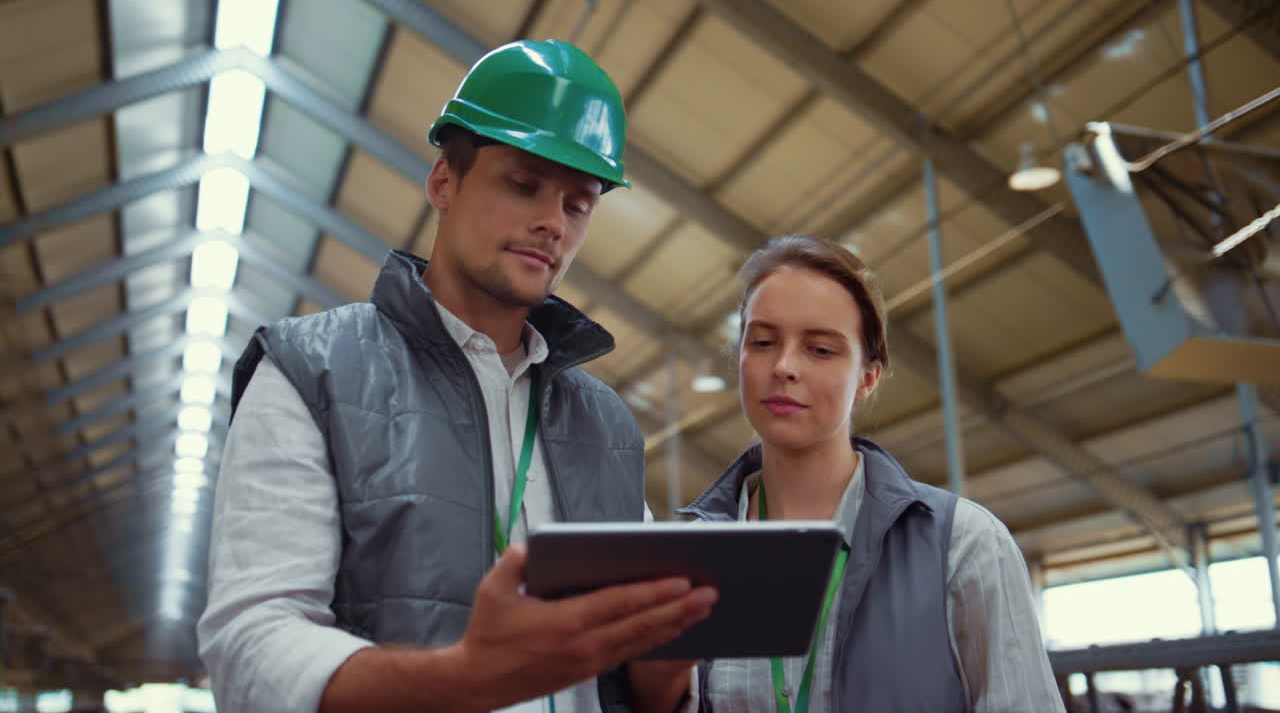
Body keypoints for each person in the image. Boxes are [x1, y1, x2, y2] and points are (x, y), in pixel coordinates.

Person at [197, 39, 715, 713]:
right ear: (444, 181)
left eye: (578, 204)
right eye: (523, 184)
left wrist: (668, 664)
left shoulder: (605, 425)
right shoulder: (309, 372)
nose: (551, 223)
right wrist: (464, 680)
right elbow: (251, 648)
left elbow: (638, 685)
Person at [671, 235, 1064, 712]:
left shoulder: (962, 544)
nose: (784, 366)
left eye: (820, 349)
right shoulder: (692, 555)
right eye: (763, 342)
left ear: (867, 377)